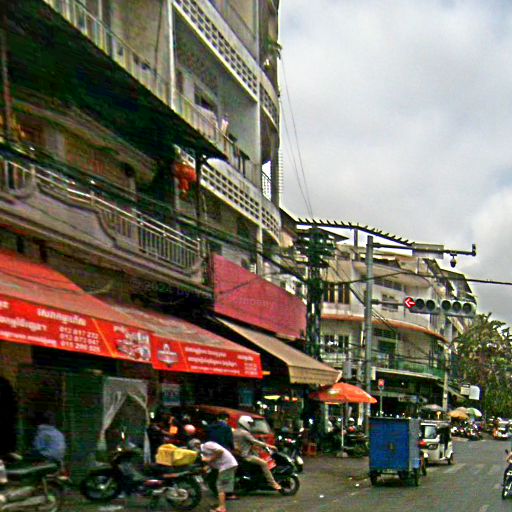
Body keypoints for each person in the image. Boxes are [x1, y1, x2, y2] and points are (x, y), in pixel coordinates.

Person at [233, 415, 281, 491]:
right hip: (246, 456)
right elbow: (255, 441)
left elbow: (249, 443)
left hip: (240, 454)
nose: (250, 425)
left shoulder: (236, 431)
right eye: (249, 423)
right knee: (264, 463)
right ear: (244, 423)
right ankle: (273, 483)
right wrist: (270, 446)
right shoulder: (244, 433)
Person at [189, 438, 237, 512]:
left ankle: (222, 508)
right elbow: (211, 463)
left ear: (197, 445)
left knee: (220, 486)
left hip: (226, 465)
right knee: (220, 484)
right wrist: (207, 467)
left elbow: (220, 451)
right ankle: (225, 500)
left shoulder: (208, 445)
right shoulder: (203, 453)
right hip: (224, 466)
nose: (195, 450)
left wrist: (210, 459)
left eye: (194, 448)